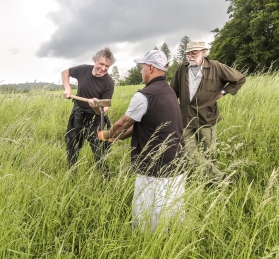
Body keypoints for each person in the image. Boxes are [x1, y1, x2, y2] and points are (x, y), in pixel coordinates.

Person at [98, 50, 186, 232]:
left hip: (154, 164)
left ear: (151, 68)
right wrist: (119, 137)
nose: (141, 71)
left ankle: (147, 239)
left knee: (148, 209)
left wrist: (106, 135)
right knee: (171, 207)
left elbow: (121, 125)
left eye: (142, 67)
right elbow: (143, 125)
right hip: (176, 159)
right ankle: (170, 237)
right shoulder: (170, 92)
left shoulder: (144, 95)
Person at [170, 40, 246, 181]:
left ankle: (209, 182)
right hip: (185, 118)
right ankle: (221, 178)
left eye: (194, 53)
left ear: (203, 53)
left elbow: (239, 79)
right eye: (188, 53)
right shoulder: (182, 68)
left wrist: (223, 92)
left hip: (207, 118)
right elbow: (173, 90)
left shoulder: (216, 67)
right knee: (188, 152)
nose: (190, 56)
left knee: (209, 154)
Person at [62, 47, 115, 177]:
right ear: (95, 60)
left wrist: (96, 106)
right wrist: (68, 89)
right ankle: (72, 175)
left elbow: (104, 111)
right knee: (73, 146)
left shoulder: (108, 83)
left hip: (95, 119)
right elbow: (65, 72)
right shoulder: (83, 70)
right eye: (101, 64)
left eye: (107, 66)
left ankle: (105, 179)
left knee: (99, 151)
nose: (103, 68)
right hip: (78, 114)